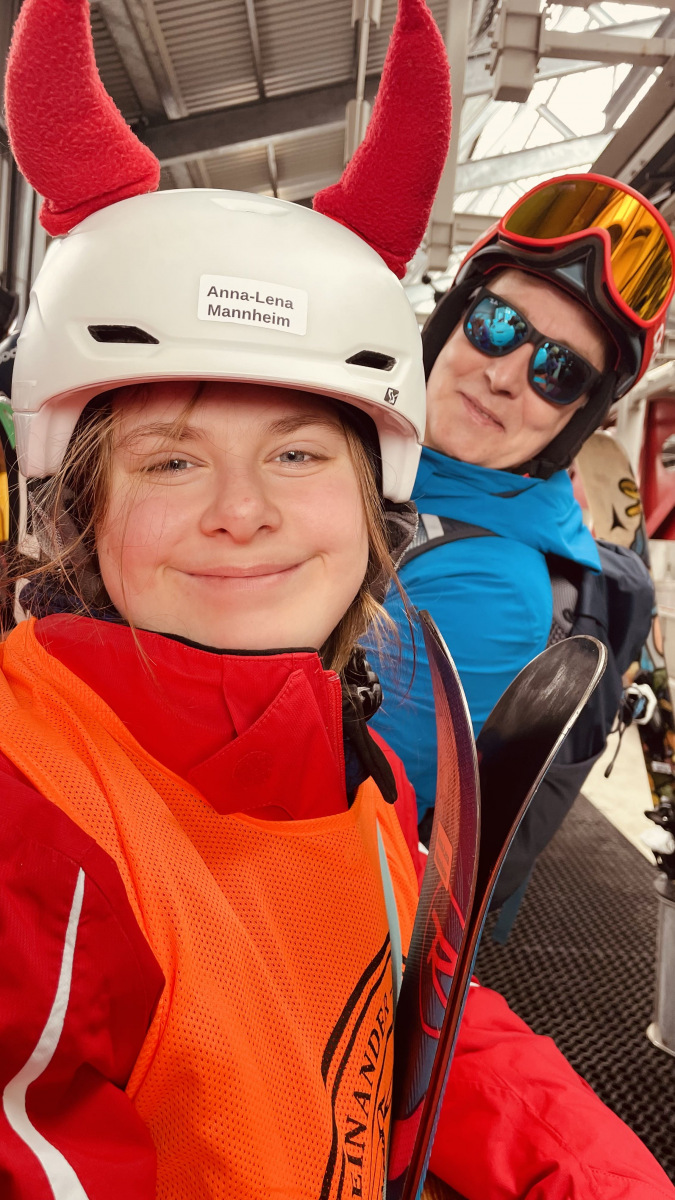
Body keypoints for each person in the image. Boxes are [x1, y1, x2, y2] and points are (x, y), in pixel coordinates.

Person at [1, 2, 674, 1198]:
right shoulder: (35, 809)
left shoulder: (366, 752)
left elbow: (395, 991)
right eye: (172, 458)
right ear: (84, 505)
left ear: (374, 502)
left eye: (301, 454)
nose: (244, 510)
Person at [371, 173, 665, 903]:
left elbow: (329, 808)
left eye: (558, 372)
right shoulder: (380, 462)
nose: (504, 374)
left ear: (574, 419)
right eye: (497, 324)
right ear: (452, 321)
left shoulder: (492, 591)